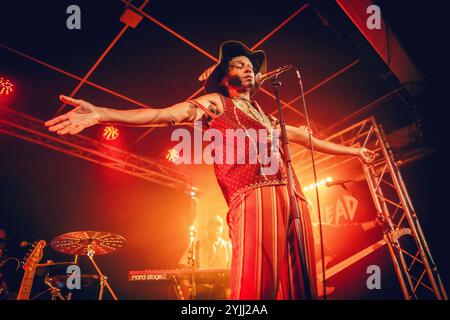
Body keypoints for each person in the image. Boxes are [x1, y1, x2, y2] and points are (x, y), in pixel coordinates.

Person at [45, 40, 376, 299]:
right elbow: (167, 115)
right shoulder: (219, 103)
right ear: (224, 74)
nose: (249, 70)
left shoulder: (268, 115)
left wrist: (356, 150)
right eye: (240, 65)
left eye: (251, 67)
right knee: (255, 286)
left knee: (299, 285)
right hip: (253, 196)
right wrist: (103, 113)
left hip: (293, 196)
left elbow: (308, 139)